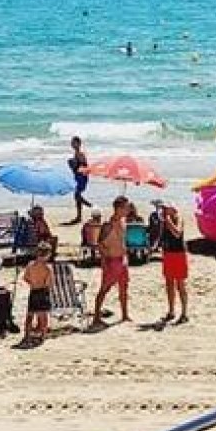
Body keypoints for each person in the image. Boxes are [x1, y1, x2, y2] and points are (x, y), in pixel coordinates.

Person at [92, 198, 133, 326]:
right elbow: (99, 244)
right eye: (126, 207)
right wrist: (104, 261)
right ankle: (96, 316)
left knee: (124, 288)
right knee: (104, 289)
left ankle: (125, 314)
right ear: (119, 209)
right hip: (112, 260)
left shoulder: (123, 222)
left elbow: (122, 241)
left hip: (122, 259)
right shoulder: (108, 225)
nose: (128, 210)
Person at [155, 200, 189, 324]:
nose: (163, 211)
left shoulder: (178, 219)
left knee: (180, 285)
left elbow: (177, 234)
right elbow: (161, 237)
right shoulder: (164, 221)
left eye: (165, 209)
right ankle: (171, 311)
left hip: (179, 254)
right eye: (162, 209)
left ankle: (184, 313)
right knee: (169, 284)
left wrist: (169, 222)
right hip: (168, 254)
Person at [20, 245, 55, 345]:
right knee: (43, 316)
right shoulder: (47, 268)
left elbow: (25, 278)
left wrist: (32, 283)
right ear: (48, 255)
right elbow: (50, 282)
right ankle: (43, 336)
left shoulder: (30, 265)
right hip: (43, 292)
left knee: (30, 315)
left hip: (33, 291)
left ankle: (27, 335)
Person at [66, 136, 92, 225]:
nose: (72, 144)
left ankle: (89, 205)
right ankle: (79, 216)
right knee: (77, 197)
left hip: (81, 177)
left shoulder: (80, 154)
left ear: (78, 144)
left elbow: (84, 166)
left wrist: (73, 163)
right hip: (78, 176)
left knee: (77, 195)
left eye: (73, 142)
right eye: (72, 142)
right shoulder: (76, 154)